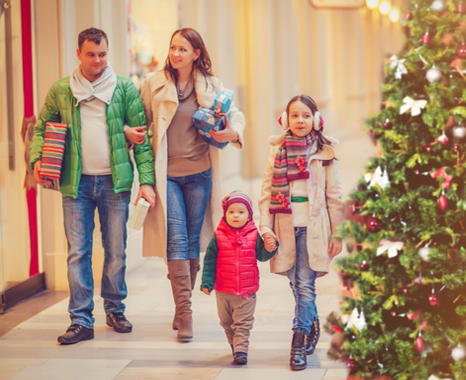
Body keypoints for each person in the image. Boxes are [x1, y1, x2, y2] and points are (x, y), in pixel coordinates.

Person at [29, 27, 156, 345]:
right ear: (78, 53)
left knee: (116, 251)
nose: (97, 60)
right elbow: (42, 128)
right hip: (76, 185)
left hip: (116, 184)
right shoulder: (61, 90)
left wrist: (147, 182)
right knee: (78, 253)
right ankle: (81, 320)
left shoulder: (125, 88)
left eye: (102, 54)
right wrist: (35, 162)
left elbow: (141, 139)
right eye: (91, 54)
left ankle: (115, 310)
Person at [134, 27, 245, 342]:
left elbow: (236, 118)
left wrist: (231, 133)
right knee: (176, 241)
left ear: (197, 53)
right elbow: (141, 124)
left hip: (200, 174)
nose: (176, 54)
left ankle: (182, 302)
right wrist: (134, 140)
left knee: (194, 241)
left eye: (183, 49)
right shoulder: (154, 85)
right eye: (173, 48)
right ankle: (185, 314)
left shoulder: (213, 86)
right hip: (167, 176)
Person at [258, 94, 344, 370]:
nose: (300, 120)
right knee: (296, 285)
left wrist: (338, 233)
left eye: (306, 115)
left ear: (316, 119)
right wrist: (265, 228)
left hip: (313, 229)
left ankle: (298, 343)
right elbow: (265, 194)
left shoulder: (324, 153)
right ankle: (312, 322)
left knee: (305, 286)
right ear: (285, 120)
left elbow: (335, 197)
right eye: (294, 115)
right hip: (284, 228)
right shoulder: (276, 152)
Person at [200, 191, 277, 365]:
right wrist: (207, 282)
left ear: (249, 215)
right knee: (226, 322)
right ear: (225, 214)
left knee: (242, 323)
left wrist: (270, 247)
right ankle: (234, 344)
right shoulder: (218, 237)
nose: (235, 215)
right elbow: (210, 261)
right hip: (223, 291)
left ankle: (241, 351)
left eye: (241, 212)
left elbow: (262, 256)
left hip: (246, 292)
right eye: (231, 212)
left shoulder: (253, 235)